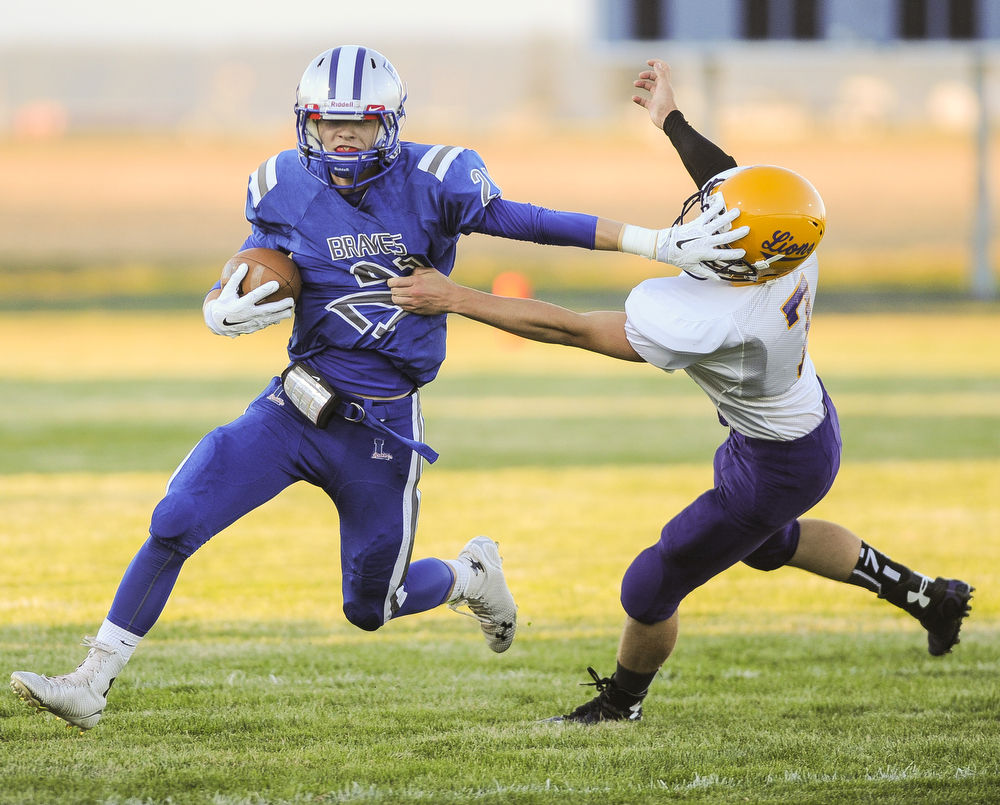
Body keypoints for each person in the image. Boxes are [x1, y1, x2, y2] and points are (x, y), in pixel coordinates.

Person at [8, 47, 745, 732]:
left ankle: (468, 574)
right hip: (291, 407)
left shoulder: (436, 180)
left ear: (389, 124)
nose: (346, 141)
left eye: (361, 126)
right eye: (331, 125)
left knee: (372, 606)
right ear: (306, 124)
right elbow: (260, 257)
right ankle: (92, 681)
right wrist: (222, 298)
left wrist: (650, 241)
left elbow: (525, 219)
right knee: (175, 519)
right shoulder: (280, 184)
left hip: (380, 432)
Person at [386, 59, 975, 724]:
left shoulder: (719, 318)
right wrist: (671, 118)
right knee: (771, 545)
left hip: (775, 466)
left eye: (714, 217)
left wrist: (456, 296)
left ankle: (620, 704)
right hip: (802, 427)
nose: (702, 207)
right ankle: (930, 596)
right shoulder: (787, 246)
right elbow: (732, 180)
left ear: (732, 255)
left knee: (651, 582)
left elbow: (573, 328)